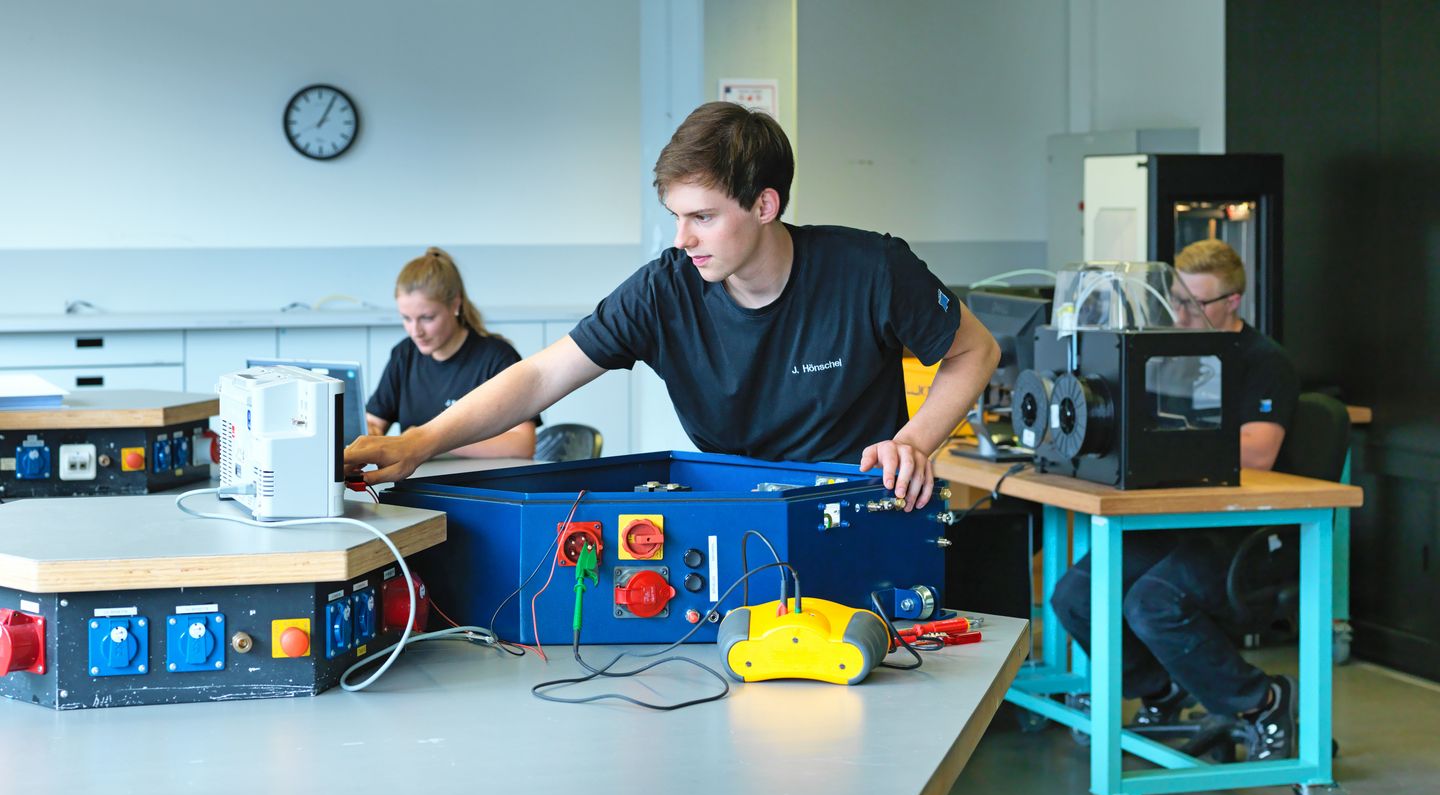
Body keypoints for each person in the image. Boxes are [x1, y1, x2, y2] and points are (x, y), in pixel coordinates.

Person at [347, 102, 1000, 508]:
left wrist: (914, 440)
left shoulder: (870, 270)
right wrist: (421, 443)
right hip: (730, 509)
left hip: (855, 505)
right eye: (675, 217)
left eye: (703, 217)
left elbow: (977, 349)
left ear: (765, 205)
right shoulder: (665, 290)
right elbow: (543, 376)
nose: (683, 239)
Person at [1050, 239, 1302, 760]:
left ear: (1232, 302)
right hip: (1175, 516)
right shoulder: (1173, 354)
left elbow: (1258, 451)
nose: (1182, 314)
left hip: (1241, 527)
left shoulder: (1263, 362)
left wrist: (1165, 440)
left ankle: (1262, 700)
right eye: (1177, 302)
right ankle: (1161, 688)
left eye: (1195, 304)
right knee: (1076, 595)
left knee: (1152, 602)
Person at [365, 247, 539, 459]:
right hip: (416, 483)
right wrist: (368, 431)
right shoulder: (404, 354)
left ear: (455, 304)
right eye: (406, 318)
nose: (415, 331)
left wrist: (429, 440)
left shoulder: (497, 358)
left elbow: (522, 445)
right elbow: (374, 421)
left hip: (479, 486)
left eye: (427, 318)